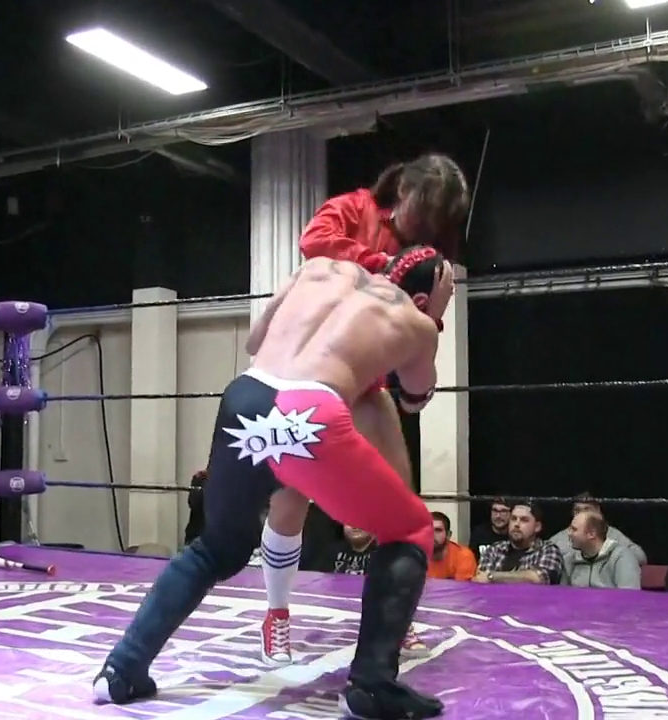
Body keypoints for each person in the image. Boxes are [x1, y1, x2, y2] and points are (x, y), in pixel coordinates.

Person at [94, 247, 455, 720]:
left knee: (216, 547)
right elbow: (414, 397)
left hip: (246, 395)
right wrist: (422, 330)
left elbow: (254, 340)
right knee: (410, 528)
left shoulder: (320, 268)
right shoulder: (417, 322)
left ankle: (121, 669)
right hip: (311, 412)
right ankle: (373, 684)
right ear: (425, 298)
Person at [261, 153, 470, 664]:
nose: (425, 223)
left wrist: (429, 311)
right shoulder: (353, 208)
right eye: (424, 208)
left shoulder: (427, 254)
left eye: (437, 217)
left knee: (403, 505)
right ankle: (276, 614)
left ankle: (396, 619)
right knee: (291, 496)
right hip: (307, 375)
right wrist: (384, 267)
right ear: (404, 191)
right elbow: (314, 243)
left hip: (368, 382)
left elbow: (416, 338)